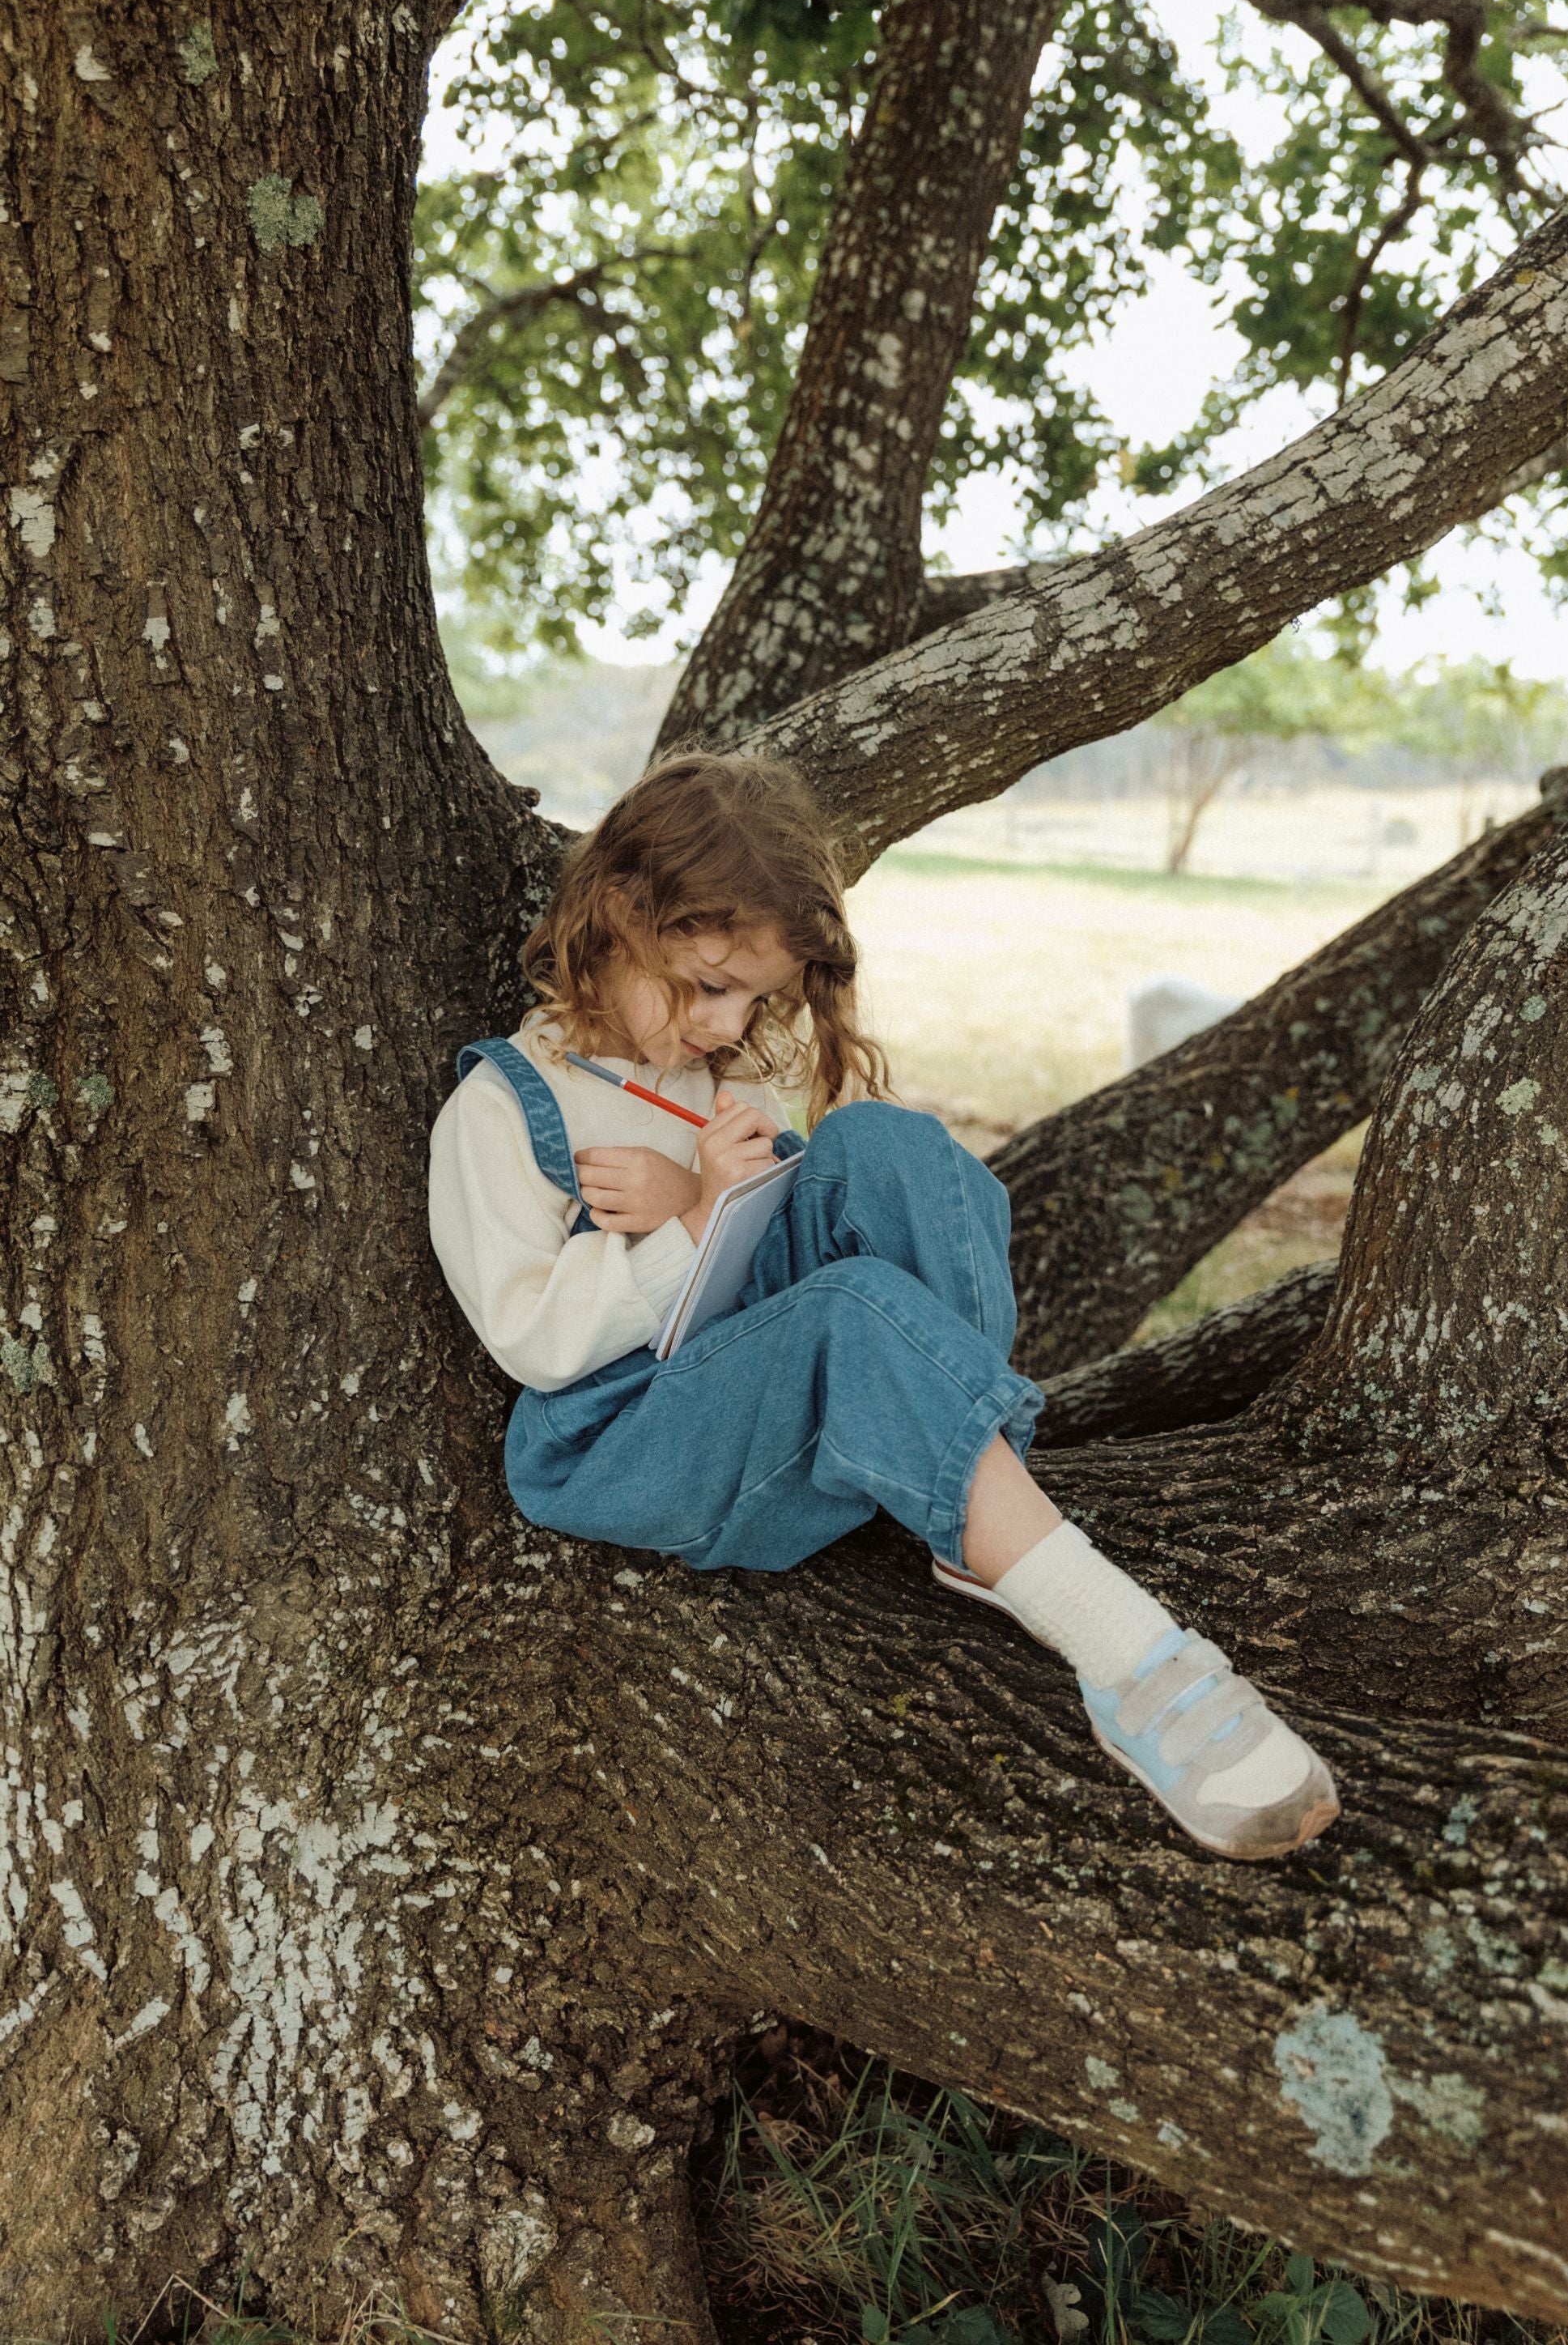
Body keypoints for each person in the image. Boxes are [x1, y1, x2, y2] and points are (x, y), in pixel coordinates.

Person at [429, 749, 1339, 1861]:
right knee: (851, 1304)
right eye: (712, 985)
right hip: (629, 1443)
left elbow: (782, 1233)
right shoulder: (502, 1106)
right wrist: (681, 1220)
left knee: (883, 1141)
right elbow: (535, 1339)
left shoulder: (724, 1082)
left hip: (773, 1389)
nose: (726, 1025)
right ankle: (1132, 1658)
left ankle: (967, 1488)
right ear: (619, 913)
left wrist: (714, 1196)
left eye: (755, 999)